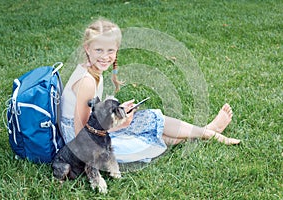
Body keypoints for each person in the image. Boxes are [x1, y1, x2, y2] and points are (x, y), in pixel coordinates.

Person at [60, 18, 240, 163]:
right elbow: (81, 134)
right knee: (143, 136)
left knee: (151, 118)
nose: (105, 56)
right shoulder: (86, 81)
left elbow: (94, 116)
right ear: (87, 48)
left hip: (91, 132)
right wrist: (119, 124)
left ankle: (206, 131)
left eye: (110, 50)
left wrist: (118, 114)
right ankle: (207, 132)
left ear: (117, 50)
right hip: (81, 144)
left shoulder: (92, 71)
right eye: (98, 49)